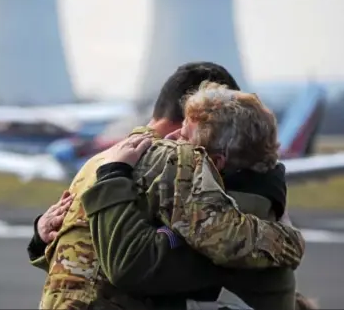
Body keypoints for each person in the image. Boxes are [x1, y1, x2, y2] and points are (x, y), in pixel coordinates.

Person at [27, 63, 306, 310]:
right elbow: (137, 262)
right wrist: (287, 239)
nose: (176, 138)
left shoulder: (101, 160)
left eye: (185, 134)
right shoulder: (176, 169)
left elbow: (72, 254)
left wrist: (41, 235)